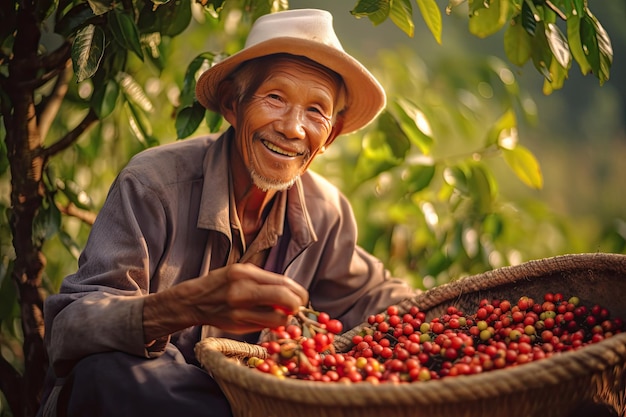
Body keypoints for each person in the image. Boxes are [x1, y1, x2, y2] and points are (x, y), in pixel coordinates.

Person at [38, 8, 418, 417]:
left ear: (331, 135)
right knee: (104, 373)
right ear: (232, 105)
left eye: (315, 111)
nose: (293, 128)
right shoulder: (153, 184)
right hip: (151, 397)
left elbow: (381, 301)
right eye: (275, 97)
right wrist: (183, 306)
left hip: (240, 400)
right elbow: (67, 329)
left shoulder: (326, 213)